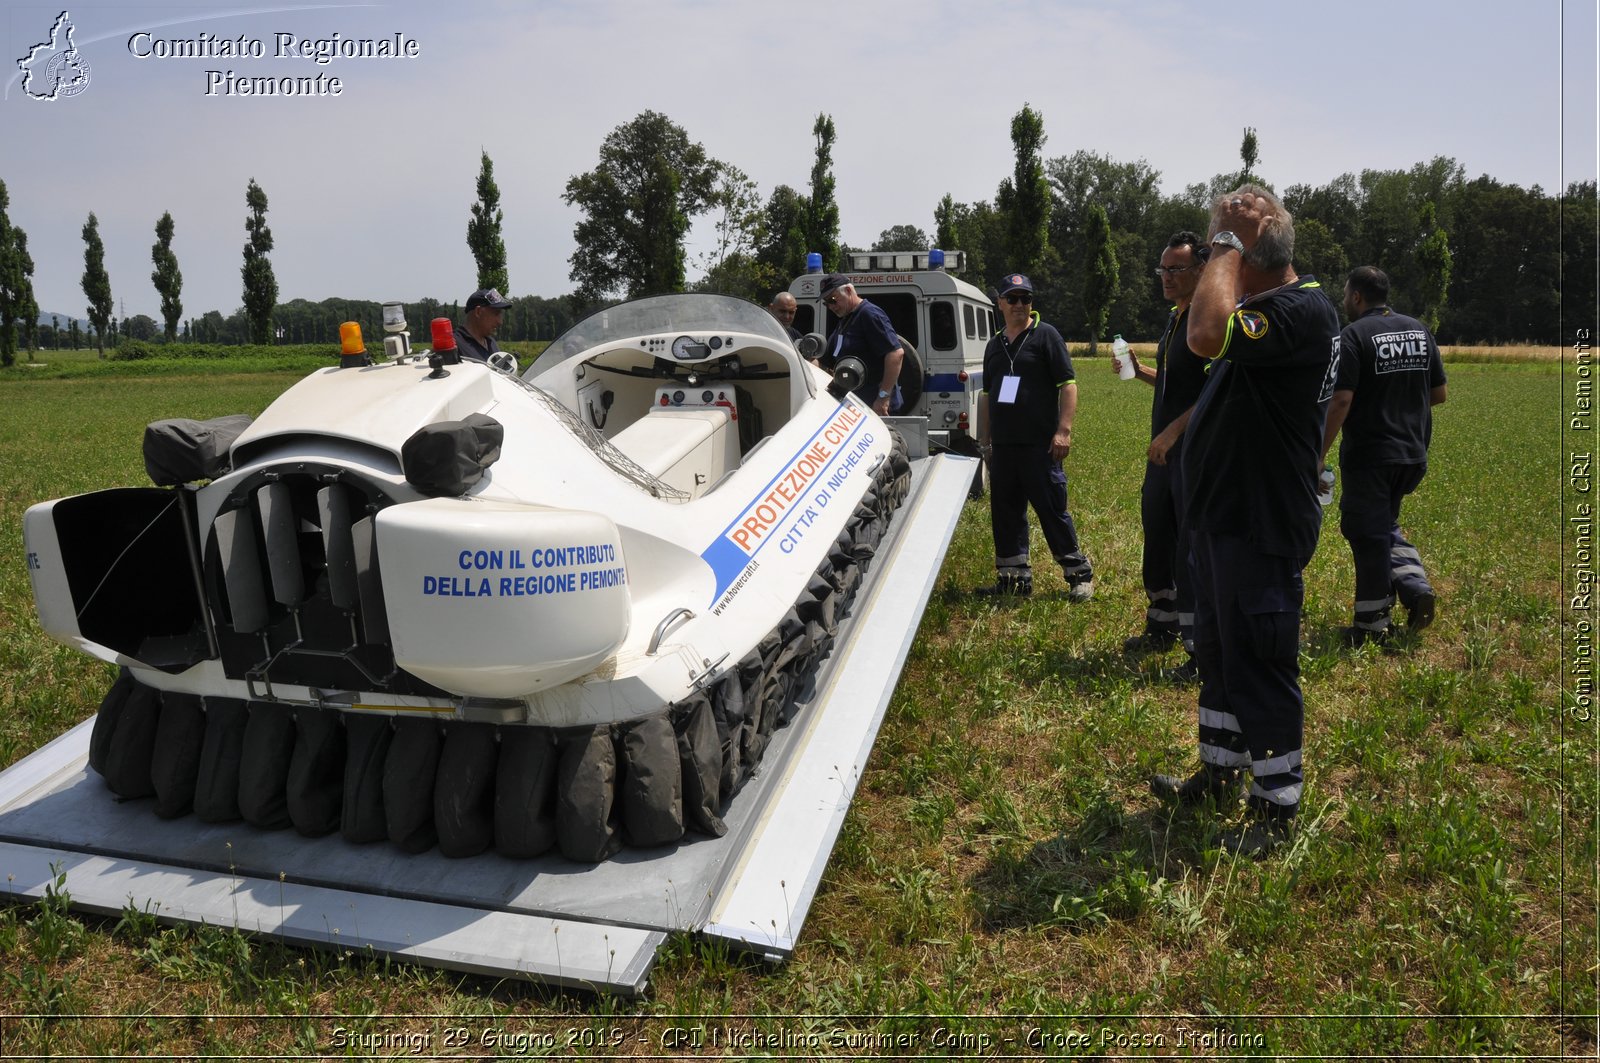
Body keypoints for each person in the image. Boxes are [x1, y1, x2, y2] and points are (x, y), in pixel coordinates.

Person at [1150, 186, 1340, 857]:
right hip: (1225, 518)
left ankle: (1276, 805)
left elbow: (1204, 334)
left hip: (1260, 523)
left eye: (1220, 251)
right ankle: (1222, 768)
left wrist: (1229, 240)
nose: (1209, 261)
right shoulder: (1271, 308)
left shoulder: (1301, 310)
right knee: (1223, 657)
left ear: (1249, 256)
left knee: (1260, 660)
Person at [1321, 266, 1447, 645]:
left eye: (1345, 294)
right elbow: (1438, 394)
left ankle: (1372, 624)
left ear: (1357, 296)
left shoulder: (1353, 336)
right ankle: (1411, 584)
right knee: (1382, 525)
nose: (1344, 301)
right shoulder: (1419, 330)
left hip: (1372, 454)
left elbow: (1342, 399)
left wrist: (1317, 453)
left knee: (1366, 532)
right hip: (1412, 452)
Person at [1114, 232, 1211, 676]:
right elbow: (1174, 382)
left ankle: (1198, 648)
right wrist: (1139, 372)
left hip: (1191, 454)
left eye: (1176, 269)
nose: (1166, 277)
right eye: (1163, 269)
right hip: (1163, 456)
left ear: (1202, 271)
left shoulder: (1208, 323)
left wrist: (1172, 432)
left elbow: (1216, 392)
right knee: (1158, 534)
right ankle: (1162, 622)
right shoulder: (1176, 319)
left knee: (1190, 549)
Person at [976, 272, 1094, 601]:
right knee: (1006, 514)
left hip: (1040, 445)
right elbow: (986, 396)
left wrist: (1063, 430)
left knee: (1052, 511)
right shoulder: (994, 346)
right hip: (1003, 447)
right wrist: (985, 442)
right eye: (1012, 298)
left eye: (1025, 298)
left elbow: (1068, 385)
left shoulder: (1046, 336)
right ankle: (1013, 580)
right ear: (999, 302)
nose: (1019, 304)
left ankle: (1078, 574)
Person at [818, 273, 903, 416]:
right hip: (856, 406)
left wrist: (883, 398)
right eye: (826, 303)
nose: (831, 306)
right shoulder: (845, 319)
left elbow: (895, 353)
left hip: (875, 408)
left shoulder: (869, 314)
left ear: (849, 291)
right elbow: (825, 359)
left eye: (833, 300)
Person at [453, 288, 512, 364]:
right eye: (496, 313)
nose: (500, 322)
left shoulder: (491, 343)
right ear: (478, 312)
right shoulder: (453, 345)